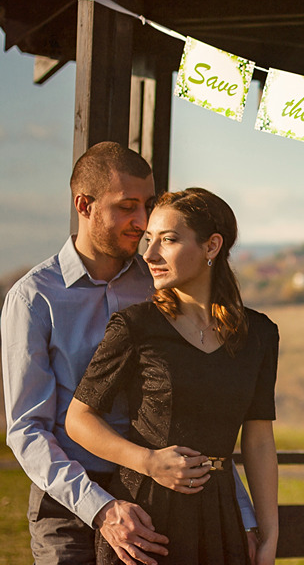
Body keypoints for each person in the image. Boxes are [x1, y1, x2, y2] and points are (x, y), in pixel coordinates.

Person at [1, 141, 258, 565]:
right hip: (67, 505)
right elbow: (27, 430)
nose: (141, 222)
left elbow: (204, 409)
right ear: (84, 204)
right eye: (127, 206)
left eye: (148, 205)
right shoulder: (34, 298)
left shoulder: (160, 282)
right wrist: (100, 508)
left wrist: (242, 515)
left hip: (156, 496)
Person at [66, 187, 279, 565]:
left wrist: (269, 532)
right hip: (146, 523)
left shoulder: (259, 335)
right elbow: (78, 419)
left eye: (168, 240)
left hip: (221, 518)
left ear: (212, 246)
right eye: (149, 240)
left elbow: (259, 439)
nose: (149, 255)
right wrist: (148, 462)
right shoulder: (135, 326)